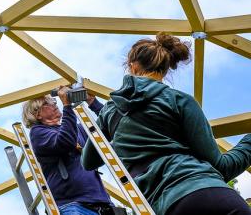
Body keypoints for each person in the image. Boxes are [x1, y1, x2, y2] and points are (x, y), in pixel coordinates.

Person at [81, 32, 251, 214]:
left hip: (169, 206)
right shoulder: (179, 100)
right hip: (212, 194)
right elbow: (221, 167)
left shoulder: (110, 111)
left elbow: (88, 161)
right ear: (165, 69)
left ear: (132, 66)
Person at [23, 88, 114, 215]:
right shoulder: (38, 133)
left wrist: (93, 102)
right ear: (37, 114)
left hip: (102, 204)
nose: (54, 104)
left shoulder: (75, 129)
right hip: (72, 206)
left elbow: (110, 127)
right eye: (47, 103)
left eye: (54, 101)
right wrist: (67, 106)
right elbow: (66, 141)